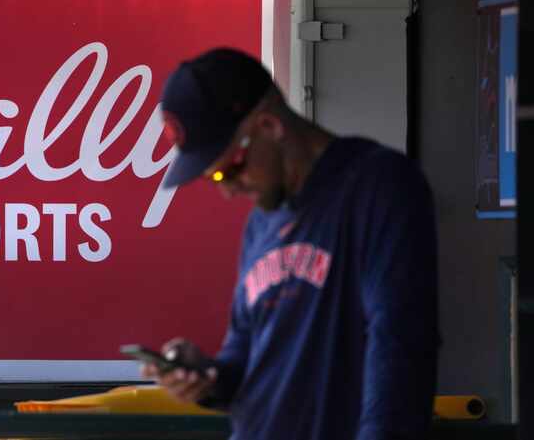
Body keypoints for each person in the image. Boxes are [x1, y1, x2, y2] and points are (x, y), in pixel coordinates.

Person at [142, 48, 439, 440]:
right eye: (211, 179)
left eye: (227, 170)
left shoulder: (378, 186)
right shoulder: (261, 222)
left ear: (268, 125)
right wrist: (207, 378)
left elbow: (399, 347)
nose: (228, 191)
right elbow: (245, 356)